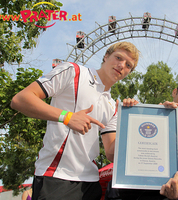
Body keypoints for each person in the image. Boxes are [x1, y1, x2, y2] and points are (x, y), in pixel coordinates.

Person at [10, 41, 140, 200]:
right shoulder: (74, 72)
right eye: (118, 58)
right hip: (56, 176)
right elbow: (20, 100)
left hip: (90, 183)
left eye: (128, 65)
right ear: (106, 56)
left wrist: (130, 121)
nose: (122, 65)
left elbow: (112, 154)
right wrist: (68, 117)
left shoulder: (113, 106)